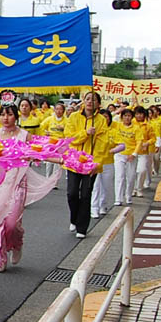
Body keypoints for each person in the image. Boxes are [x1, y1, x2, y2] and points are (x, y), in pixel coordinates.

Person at [0, 93, 31, 272]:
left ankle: (16, 242)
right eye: (3, 114)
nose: (6, 118)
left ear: (16, 115)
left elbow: (35, 154)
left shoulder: (24, 135)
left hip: (18, 182)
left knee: (12, 224)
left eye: (10, 114)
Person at [64, 91, 109, 238]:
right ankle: (74, 218)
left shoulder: (101, 120)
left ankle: (82, 228)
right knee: (71, 193)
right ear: (83, 101)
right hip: (73, 162)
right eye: (88, 99)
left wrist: (97, 163)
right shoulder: (74, 117)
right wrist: (86, 133)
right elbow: (70, 138)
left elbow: (103, 144)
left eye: (94, 100)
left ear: (98, 103)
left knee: (85, 194)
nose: (90, 102)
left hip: (91, 164)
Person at [90, 109, 116, 218]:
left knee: (106, 186)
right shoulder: (93, 130)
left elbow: (121, 144)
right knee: (95, 186)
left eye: (106, 117)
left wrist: (113, 150)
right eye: (102, 117)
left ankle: (103, 205)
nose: (104, 119)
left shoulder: (113, 130)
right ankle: (94, 208)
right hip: (95, 162)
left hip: (108, 162)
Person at [111, 108, 137, 206]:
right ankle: (118, 198)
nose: (127, 118)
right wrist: (119, 109)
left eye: (129, 116)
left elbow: (139, 142)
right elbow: (108, 117)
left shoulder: (136, 128)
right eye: (125, 116)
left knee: (130, 177)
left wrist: (134, 154)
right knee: (119, 176)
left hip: (131, 155)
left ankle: (128, 196)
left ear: (132, 117)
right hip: (119, 154)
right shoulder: (117, 125)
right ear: (122, 117)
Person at [133, 106, 154, 195]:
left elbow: (153, 138)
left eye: (141, 114)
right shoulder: (131, 123)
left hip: (143, 152)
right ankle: (132, 189)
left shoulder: (148, 126)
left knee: (142, 170)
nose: (139, 116)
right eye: (137, 114)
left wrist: (146, 143)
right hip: (132, 151)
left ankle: (139, 188)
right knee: (132, 172)